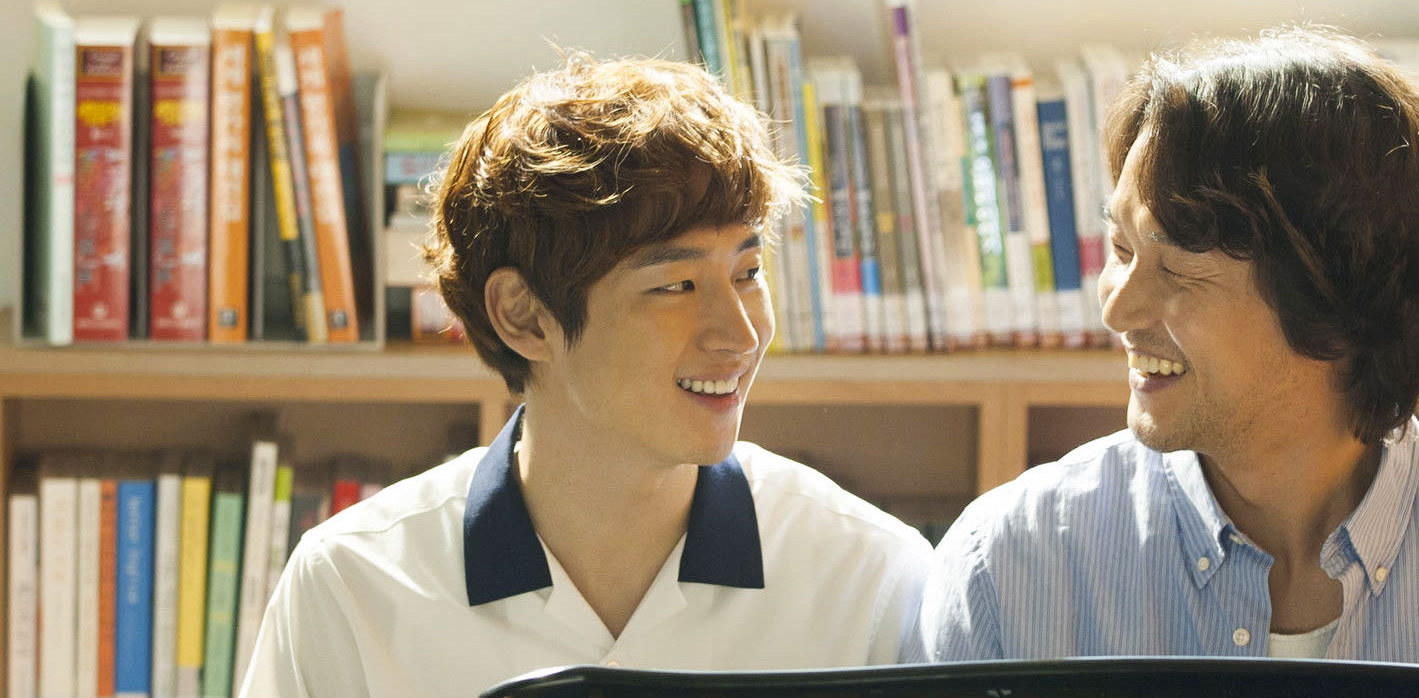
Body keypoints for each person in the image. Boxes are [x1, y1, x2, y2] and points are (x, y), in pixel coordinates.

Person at [909, 27, 1419, 673]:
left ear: (1334, 300)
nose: (1117, 307)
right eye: (1121, 250)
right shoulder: (1007, 567)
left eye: (1178, 269)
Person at [243, 54, 932, 698]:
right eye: (676, 285)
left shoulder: (869, 580)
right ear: (524, 316)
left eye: (748, 273)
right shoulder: (351, 586)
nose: (740, 334)